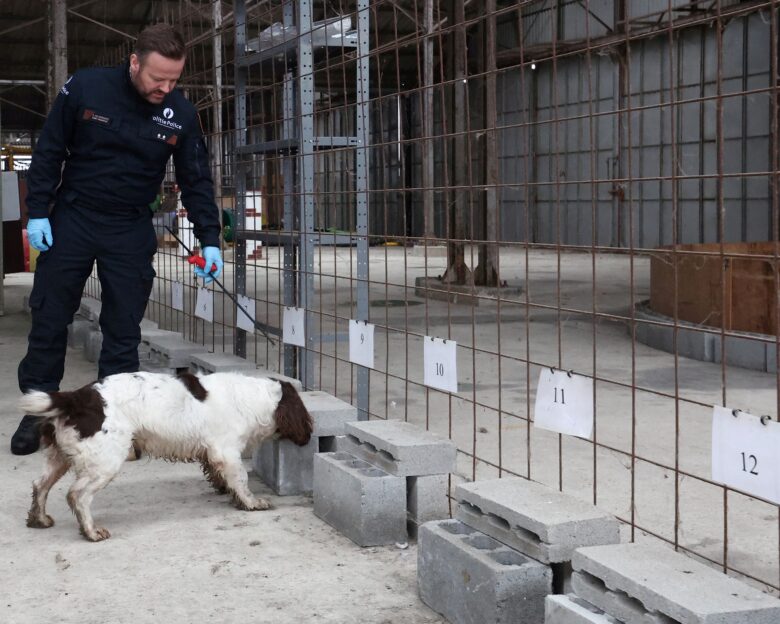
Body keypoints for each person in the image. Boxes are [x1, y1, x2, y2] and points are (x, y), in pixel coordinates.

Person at [11, 24, 223, 455]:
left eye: (173, 80)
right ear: (134, 62)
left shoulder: (180, 113)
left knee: (123, 329)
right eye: (156, 78)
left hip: (129, 226)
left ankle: (115, 420)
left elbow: (196, 178)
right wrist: (37, 213)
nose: (164, 87)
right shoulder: (87, 87)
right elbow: (50, 150)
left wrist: (210, 238)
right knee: (50, 318)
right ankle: (38, 415)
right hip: (74, 218)